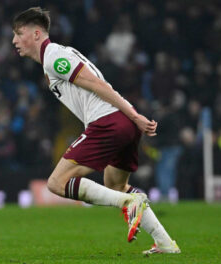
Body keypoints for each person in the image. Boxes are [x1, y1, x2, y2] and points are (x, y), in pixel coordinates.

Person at [12, 7, 180, 254]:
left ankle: (130, 202)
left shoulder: (54, 57)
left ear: (37, 34)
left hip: (109, 121)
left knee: (57, 183)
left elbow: (98, 84)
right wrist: (131, 117)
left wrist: (134, 115)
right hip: (121, 123)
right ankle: (165, 243)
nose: (14, 40)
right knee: (115, 185)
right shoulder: (54, 58)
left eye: (18, 33)